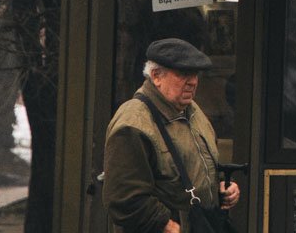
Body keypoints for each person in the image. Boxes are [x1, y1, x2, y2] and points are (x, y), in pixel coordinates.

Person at [103, 38, 241, 233]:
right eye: (183, 74)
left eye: (195, 74)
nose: (193, 81)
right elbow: (123, 198)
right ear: (156, 76)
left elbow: (197, 166)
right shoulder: (133, 123)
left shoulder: (192, 111)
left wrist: (221, 189)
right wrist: (166, 224)